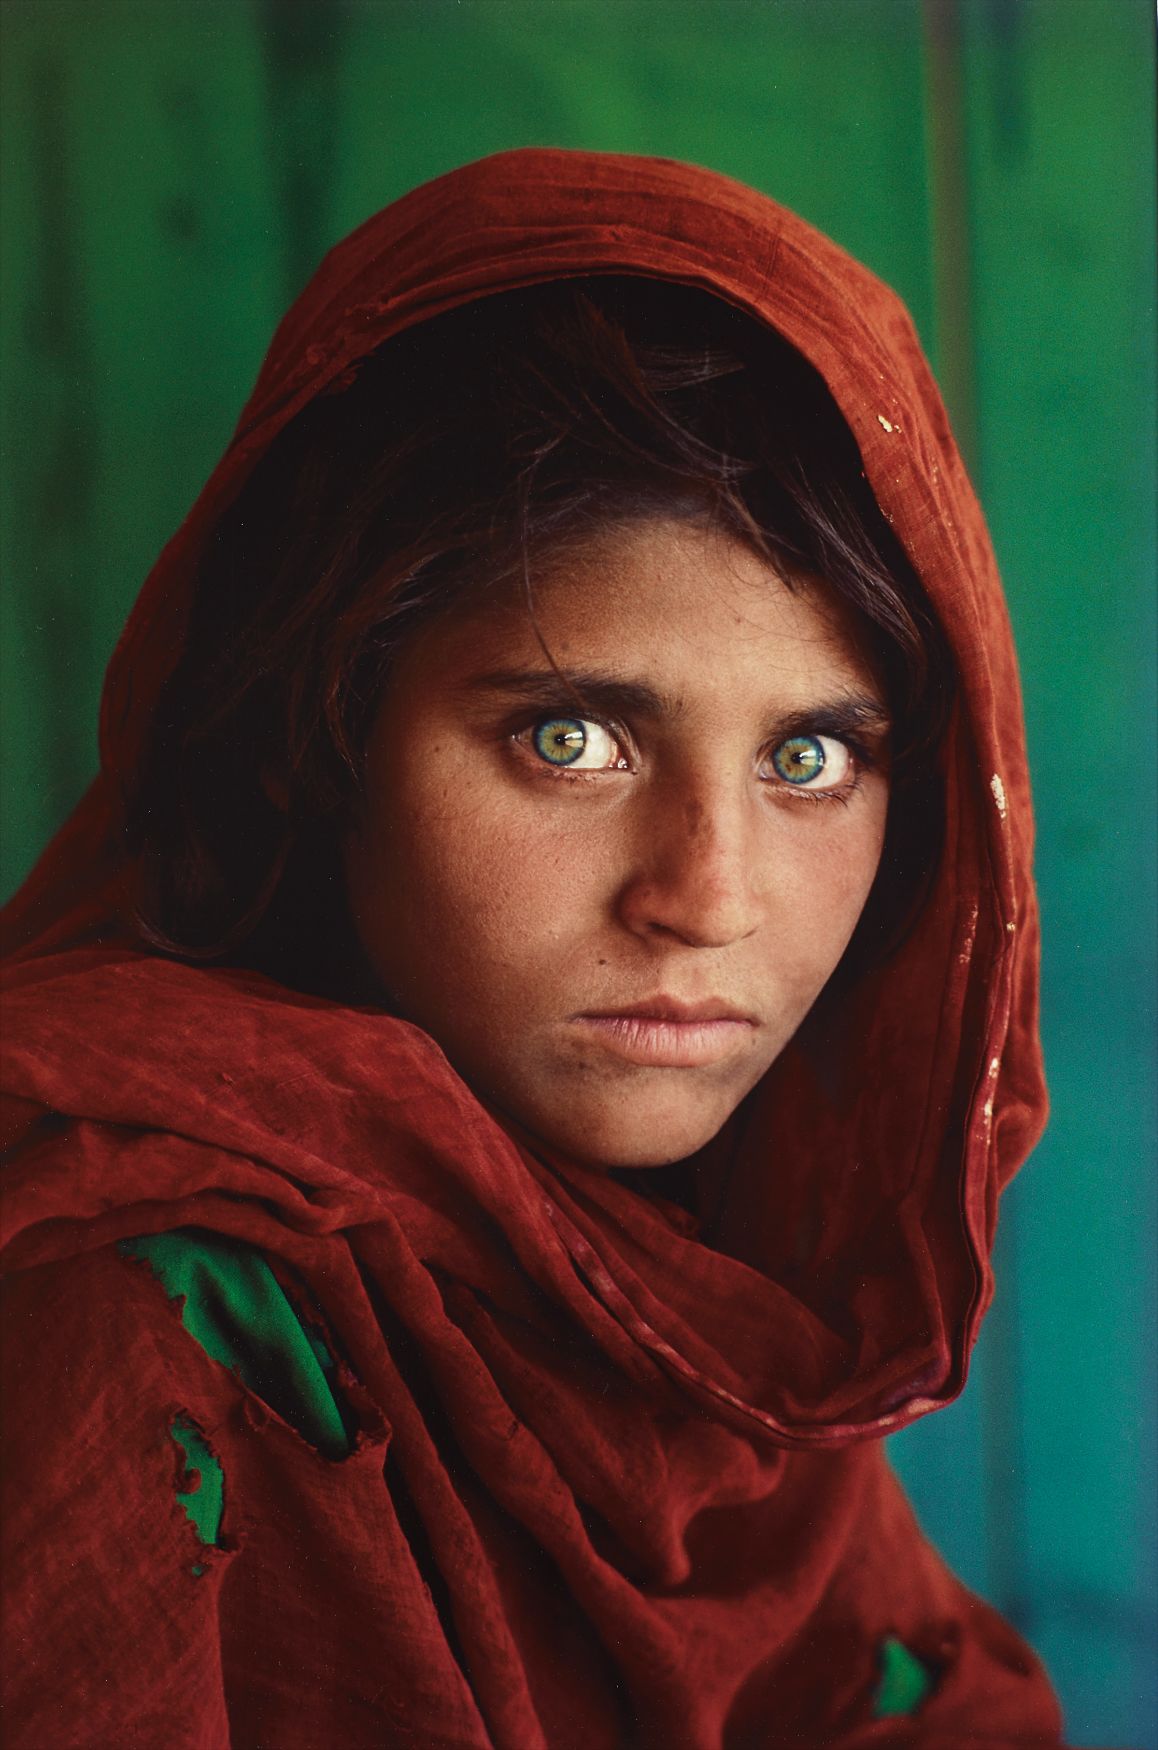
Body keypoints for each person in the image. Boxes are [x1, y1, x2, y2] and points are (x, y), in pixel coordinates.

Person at [0, 149, 1064, 1747]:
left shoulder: (725, 1289)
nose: (706, 896)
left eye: (809, 759)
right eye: (570, 737)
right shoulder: (136, 1300)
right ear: (328, 729)